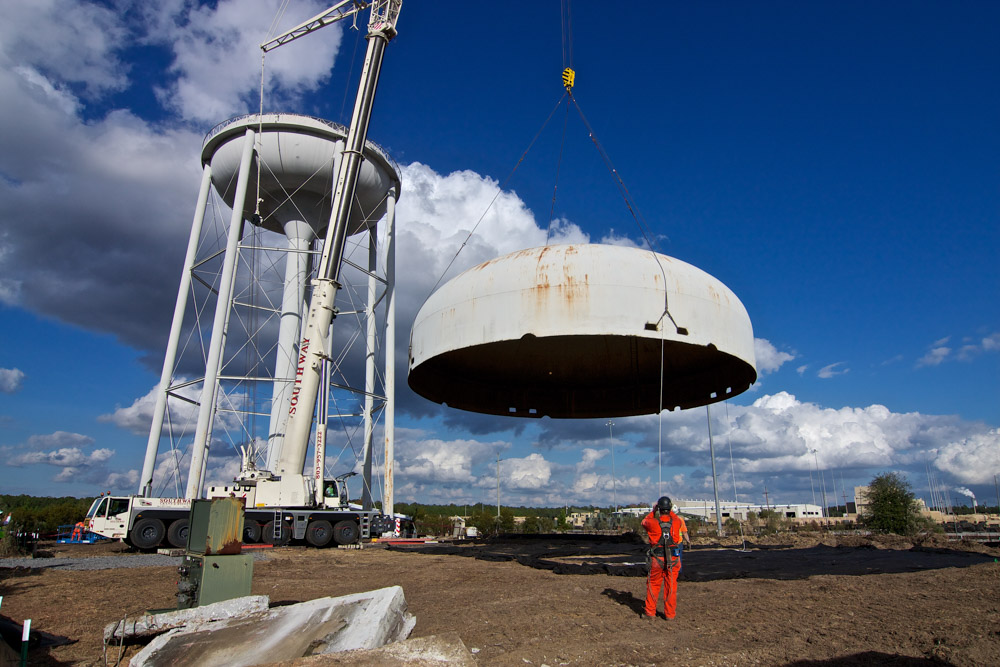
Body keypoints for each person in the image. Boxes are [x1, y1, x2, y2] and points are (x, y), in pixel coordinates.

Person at [641, 496, 691, 620]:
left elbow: (644, 521)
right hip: (673, 558)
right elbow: (674, 518)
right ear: (670, 508)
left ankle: (650, 613)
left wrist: (653, 511)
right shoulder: (677, 521)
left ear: (659, 509)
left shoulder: (652, 523)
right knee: (671, 586)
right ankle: (669, 614)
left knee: (653, 585)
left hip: (657, 559)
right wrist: (669, 509)